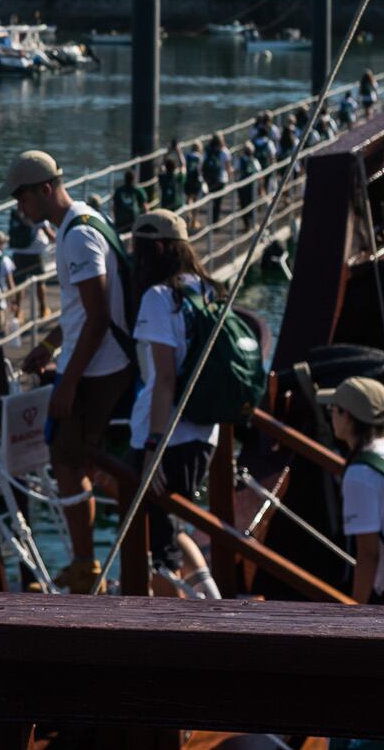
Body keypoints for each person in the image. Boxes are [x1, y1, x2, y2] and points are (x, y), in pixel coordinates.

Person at [8, 149, 134, 594]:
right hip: (98, 363)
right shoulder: (84, 221)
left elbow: (97, 318)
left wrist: (70, 382)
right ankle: (91, 560)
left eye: (22, 197)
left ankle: (87, 566)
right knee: (77, 459)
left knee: (65, 458)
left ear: (45, 189)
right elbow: (81, 312)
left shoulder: (77, 238)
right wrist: (47, 346)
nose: (19, 208)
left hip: (100, 370)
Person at [127, 210, 222, 599]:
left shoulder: (158, 297)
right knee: (172, 531)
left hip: (167, 437)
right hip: (204, 434)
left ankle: (167, 636)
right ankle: (211, 605)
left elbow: (165, 377)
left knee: (154, 549)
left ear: (158, 248)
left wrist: (153, 447)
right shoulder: (209, 290)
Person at [322, 376, 384, 605]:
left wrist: (356, 610)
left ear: (348, 417)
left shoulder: (360, 474)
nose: (331, 416)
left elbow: (368, 553)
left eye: (333, 409)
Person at [4, 203, 55, 322]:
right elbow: (49, 234)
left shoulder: (16, 212)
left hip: (18, 252)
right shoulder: (37, 212)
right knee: (39, 282)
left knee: (19, 284)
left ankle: (17, 313)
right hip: (35, 253)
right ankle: (43, 310)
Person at [110, 161, 151, 235]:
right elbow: (145, 207)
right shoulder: (138, 190)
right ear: (134, 179)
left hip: (120, 222)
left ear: (125, 179)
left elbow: (114, 207)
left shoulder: (118, 191)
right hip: (133, 221)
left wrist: (114, 220)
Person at [200, 134, 231, 226]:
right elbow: (228, 167)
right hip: (221, 179)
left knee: (211, 200)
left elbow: (202, 164)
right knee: (218, 202)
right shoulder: (225, 152)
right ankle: (215, 222)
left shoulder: (207, 151)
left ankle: (211, 221)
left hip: (210, 179)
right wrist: (228, 179)